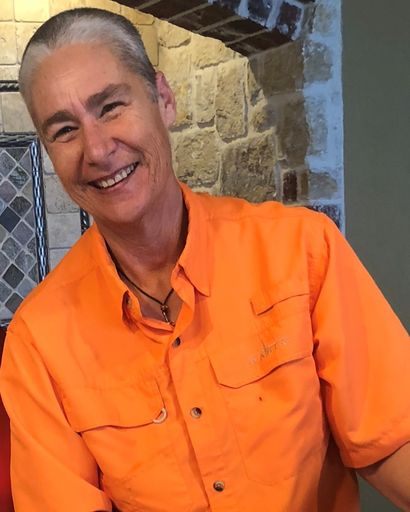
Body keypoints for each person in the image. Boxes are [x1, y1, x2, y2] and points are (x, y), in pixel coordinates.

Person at [0, 7, 409, 512]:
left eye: (110, 107)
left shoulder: (302, 249)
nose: (98, 150)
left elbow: (392, 436)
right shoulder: (38, 341)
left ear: (163, 99)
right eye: (64, 130)